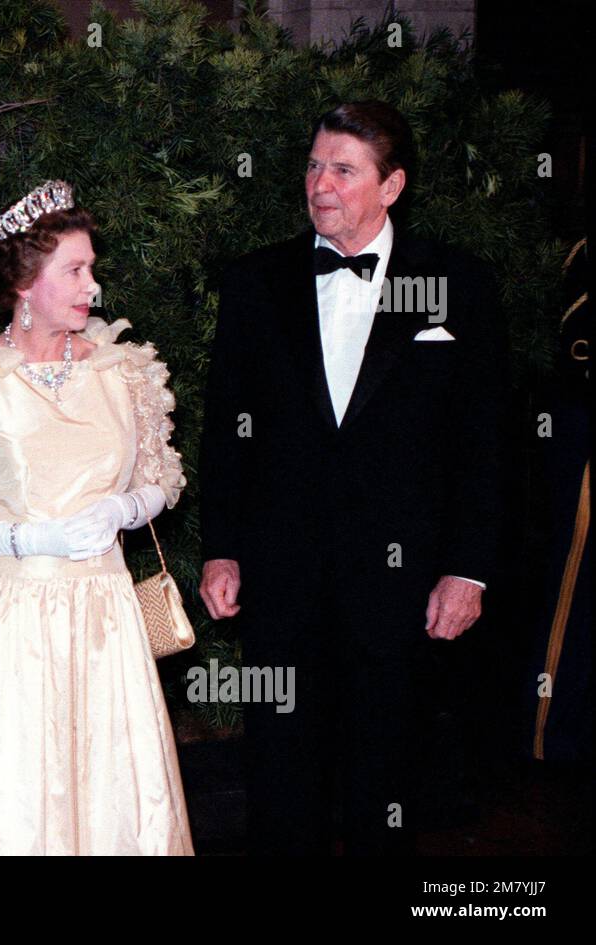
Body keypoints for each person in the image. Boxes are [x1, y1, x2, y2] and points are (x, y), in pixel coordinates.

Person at [199, 101, 508, 854]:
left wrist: (468, 569)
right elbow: (226, 429)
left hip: (402, 583)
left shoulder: (456, 284)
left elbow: (487, 442)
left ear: (391, 185)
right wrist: (222, 547)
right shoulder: (257, 281)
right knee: (280, 781)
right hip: (282, 574)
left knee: (386, 783)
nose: (320, 183)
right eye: (313, 165)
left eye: (343, 168)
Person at [0, 181, 193, 855]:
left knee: (111, 799)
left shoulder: (125, 371)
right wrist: (22, 536)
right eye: (75, 270)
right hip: (3, 623)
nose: (93, 286)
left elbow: (162, 479)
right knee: (7, 800)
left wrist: (125, 505)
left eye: (92, 268)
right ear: (26, 283)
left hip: (105, 620)